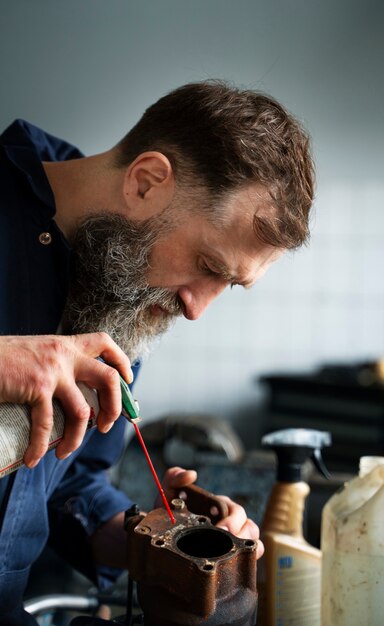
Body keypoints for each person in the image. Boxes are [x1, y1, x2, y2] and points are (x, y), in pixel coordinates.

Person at [0, 80, 314, 623]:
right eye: (209, 266)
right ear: (146, 182)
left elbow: (70, 483)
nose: (197, 309)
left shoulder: (120, 288)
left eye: (229, 285)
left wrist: (167, 542)